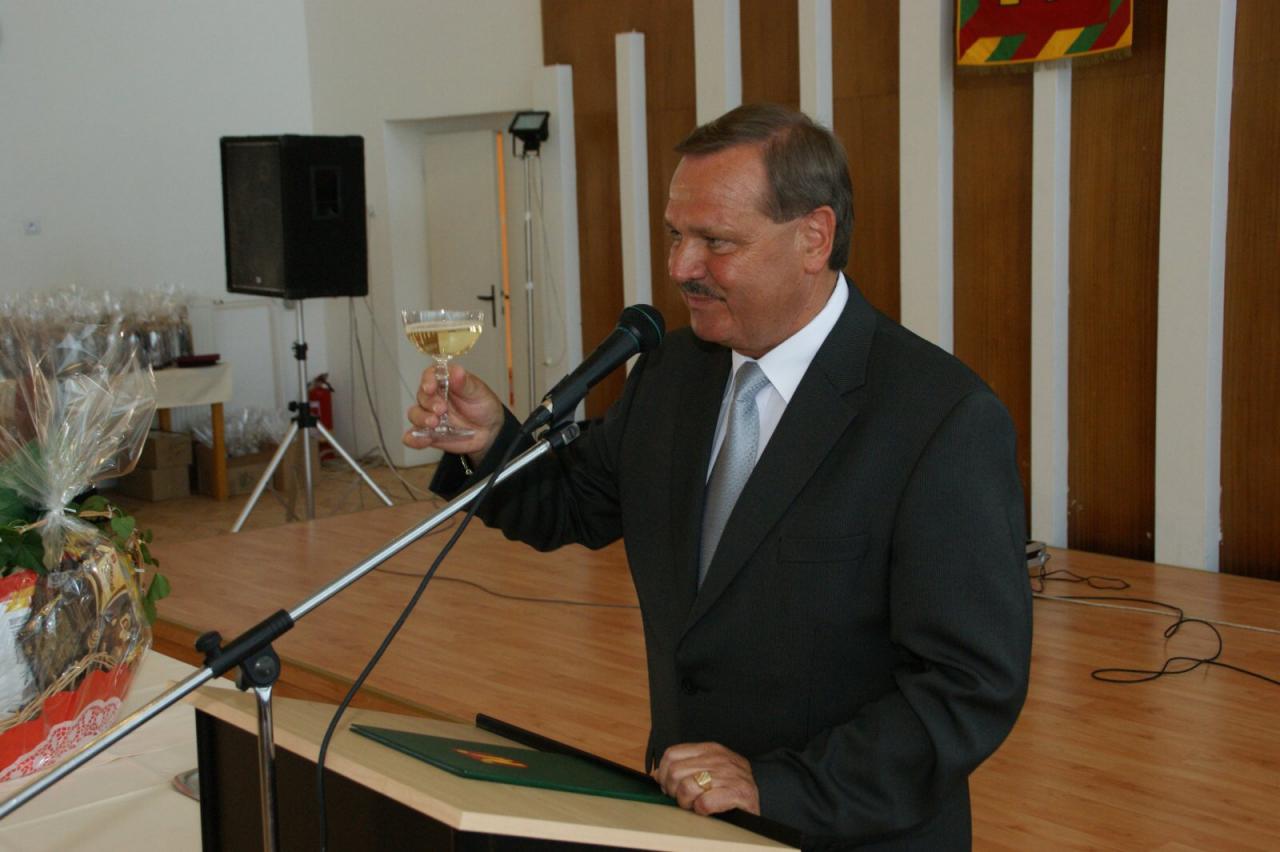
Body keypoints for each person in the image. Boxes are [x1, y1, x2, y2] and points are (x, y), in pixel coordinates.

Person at [405, 103, 1032, 850]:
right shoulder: (672, 372)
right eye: (676, 235)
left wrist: (780, 787)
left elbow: (967, 686)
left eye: (716, 241)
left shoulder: (940, 418)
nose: (680, 268)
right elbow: (573, 502)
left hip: (848, 830)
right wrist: (489, 444)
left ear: (814, 237)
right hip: (686, 819)